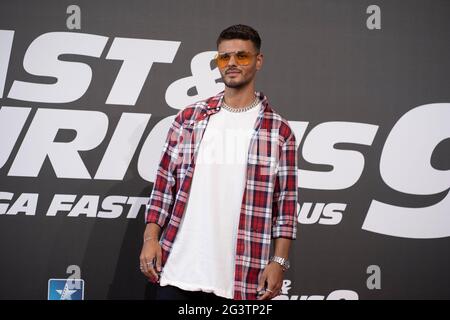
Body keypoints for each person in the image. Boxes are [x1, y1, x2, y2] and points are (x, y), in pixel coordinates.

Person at [140, 24, 298, 300]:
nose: (232, 63)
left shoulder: (279, 132)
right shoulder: (190, 118)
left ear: (258, 61)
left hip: (241, 278)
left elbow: (285, 205)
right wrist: (150, 238)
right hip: (178, 271)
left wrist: (279, 261)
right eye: (224, 57)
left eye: (242, 56)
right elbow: (164, 185)